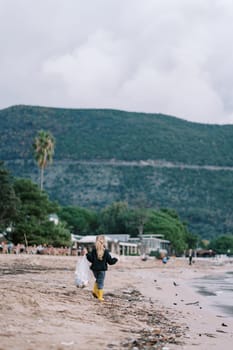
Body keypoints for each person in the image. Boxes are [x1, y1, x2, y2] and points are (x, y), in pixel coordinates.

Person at [86, 235, 118, 301]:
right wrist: (115, 259)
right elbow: (110, 262)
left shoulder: (94, 251)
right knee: (101, 282)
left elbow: (91, 259)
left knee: (98, 280)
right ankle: (100, 296)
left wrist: (87, 254)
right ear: (104, 242)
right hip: (102, 270)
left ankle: (95, 291)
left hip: (94, 269)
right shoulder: (105, 252)